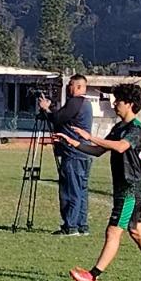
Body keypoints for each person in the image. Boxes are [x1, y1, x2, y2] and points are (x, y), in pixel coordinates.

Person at [57, 82, 141, 281]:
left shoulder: (135, 128)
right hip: (124, 189)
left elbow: (120, 147)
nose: (114, 104)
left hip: (131, 189)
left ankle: (92, 276)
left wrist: (91, 136)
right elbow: (98, 150)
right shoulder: (119, 128)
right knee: (137, 231)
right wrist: (73, 143)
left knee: (113, 232)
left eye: (118, 100)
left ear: (129, 104)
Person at [38, 74, 93, 235]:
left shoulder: (76, 102)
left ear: (78, 87)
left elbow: (58, 118)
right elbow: (64, 118)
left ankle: (71, 226)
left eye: (70, 85)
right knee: (81, 190)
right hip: (84, 152)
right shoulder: (87, 104)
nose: (68, 88)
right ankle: (82, 225)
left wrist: (46, 109)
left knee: (71, 190)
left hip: (73, 153)